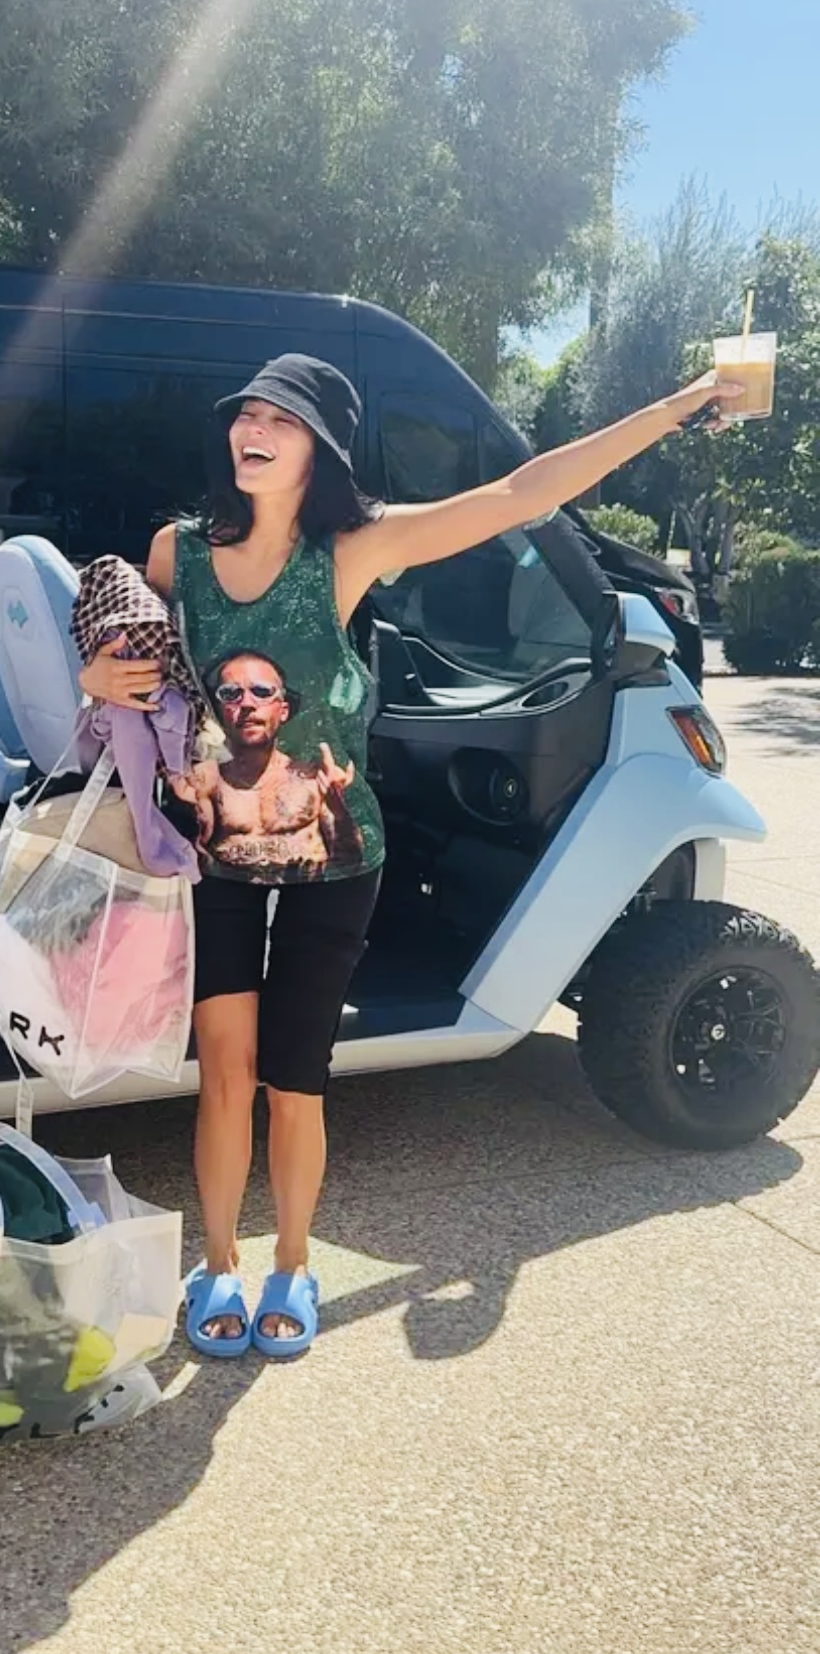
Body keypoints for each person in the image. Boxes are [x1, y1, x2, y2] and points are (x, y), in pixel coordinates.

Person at [78, 351, 740, 1360]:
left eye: (281, 420)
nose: (254, 430)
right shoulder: (180, 552)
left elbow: (522, 493)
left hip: (334, 862)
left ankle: (291, 1267)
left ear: (320, 449)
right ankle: (218, 1265)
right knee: (224, 1074)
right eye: (247, 414)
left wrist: (679, 405)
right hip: (212, 860)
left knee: (295, 1080)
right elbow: (131, 646)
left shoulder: (353, 549)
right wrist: (96, 670)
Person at [169, 649, 364, 879]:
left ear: (283, 711)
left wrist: (339, 809)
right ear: (220, 711)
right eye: (230, 693)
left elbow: (350, 861)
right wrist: (185, 817)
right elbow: (188, 867)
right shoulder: (204, 782)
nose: (247, 703)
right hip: (231, 894)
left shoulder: (314, 781)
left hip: (303, 893)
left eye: (261, 692)